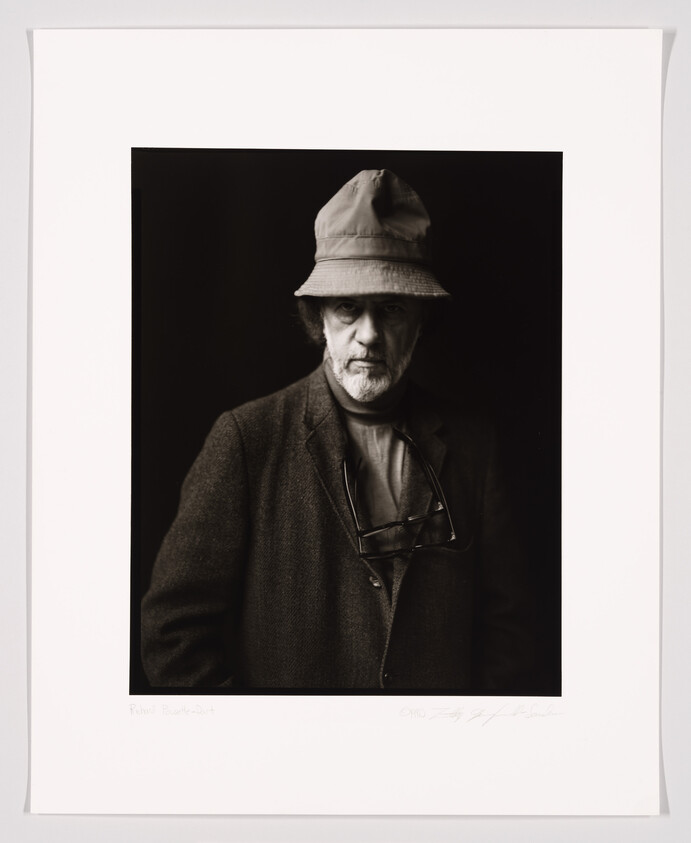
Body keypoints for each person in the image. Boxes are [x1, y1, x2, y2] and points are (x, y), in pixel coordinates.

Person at [141, 169, 532, 691]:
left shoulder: (473, 445)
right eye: (349, 307)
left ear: (420, 322)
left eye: (392, 309)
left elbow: (510, 630)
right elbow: (173, 637)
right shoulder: (245, 440)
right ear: (319, 316)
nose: (369, 335)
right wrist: (260, 755)